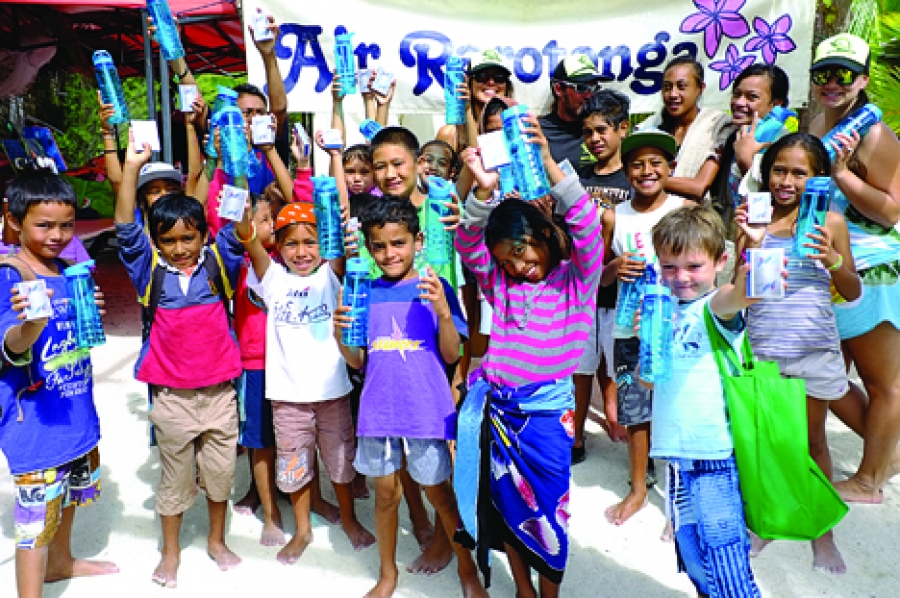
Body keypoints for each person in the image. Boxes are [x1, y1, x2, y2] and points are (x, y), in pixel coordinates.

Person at [455, 113, 603, 598]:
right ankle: (522, 588)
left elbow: (585, 226)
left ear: (543, 236)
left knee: (549, 508)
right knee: (505, 506)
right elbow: (468, 244)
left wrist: (547, 163)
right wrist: (482, 192)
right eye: (506, 261)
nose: (519, 266)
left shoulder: (577, 281)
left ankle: (549, 593)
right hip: (499, 413)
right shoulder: (502, 284)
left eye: (523, 252)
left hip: (545, 420)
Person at [334, 196, 486, 598]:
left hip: (426, 412)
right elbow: (359, 361)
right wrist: (340, 335)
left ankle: (467, 570)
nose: (389, 253)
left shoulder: (435, 287)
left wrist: (443, 312)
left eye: (398, 243)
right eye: (380, 246)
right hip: (379, 411)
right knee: (385, 496)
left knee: (441, 495)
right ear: (368, 248)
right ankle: (387, 574)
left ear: (418, 240)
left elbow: (453, 354)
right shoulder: (361, 292)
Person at [115, 138, 245, 587]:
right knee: (174, 479)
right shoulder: (148, 270)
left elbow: (238, 220)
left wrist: (238, 164)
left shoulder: (217, 264)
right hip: (171, 397)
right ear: (155, 242)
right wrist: (131, 166)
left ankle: (215, 539)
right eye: (167, 240)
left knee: (221, 474)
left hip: (220, 395)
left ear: (204, 235)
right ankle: (170, 552)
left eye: (188, 237)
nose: (179, 247)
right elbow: (125, 229)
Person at [734, 132, 859, 574]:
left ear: (820, 177)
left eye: (799, 172)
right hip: (766, 347)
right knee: (769, 443)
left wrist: (832, 262)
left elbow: (852, 290)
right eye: (778, 170)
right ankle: (769, 521)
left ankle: (821, 533)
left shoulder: (831, 224)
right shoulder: (755, 218)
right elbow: (740, 290)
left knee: (812, 442)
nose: (786, 180)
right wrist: (750, 244)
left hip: (813, 349)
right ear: (765, 174)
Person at [236, 201, 376, 563]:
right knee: (295, 465)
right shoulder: (273, 279)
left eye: (310, 242)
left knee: (341, 462)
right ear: (278, 247)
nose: (301, 252)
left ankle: (349, 518)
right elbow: (248, 238)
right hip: (287, 398)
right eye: (292, 244)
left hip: (333, 392)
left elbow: (343, 246)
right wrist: (242, 208)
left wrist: (339, 218)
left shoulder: (330, 274)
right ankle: (302, 529)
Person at [0, 170, 118, 598]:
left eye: (66, 225)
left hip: (75, 413)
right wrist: (31, 324)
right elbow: (11, 346)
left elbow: (77, 340)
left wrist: (86, 313)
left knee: (67, 495)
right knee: (34, 522)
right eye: (44, 225)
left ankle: (62, 563)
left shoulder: (70, 270)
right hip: (35, 424)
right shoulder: (10, 275)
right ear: (14, 221)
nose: (57, 235)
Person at [648, 205, 763, 597]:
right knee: (695, 559)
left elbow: (744, 294)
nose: (681, 278)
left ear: (721, 263)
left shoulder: (713, 309)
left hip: (713, 455)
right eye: (669, 267)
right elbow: (653, 383)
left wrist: (760, 250)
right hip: (677, 458)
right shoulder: (664, 311)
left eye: (694, 267)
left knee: (728, 568)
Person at [808, 33, 900, 504]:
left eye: (843, 74)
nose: (832, 83)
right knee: (824, 375)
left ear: (862, 80)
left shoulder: (875, 134)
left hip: (873, 271)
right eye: (824, 73)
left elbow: (891, 210)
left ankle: (870, 481)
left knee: (883, 382)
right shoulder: (823, 125)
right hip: (833, 270)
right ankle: (886, 454)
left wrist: (843, 174)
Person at [600, 130, 692, 526]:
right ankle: (638, 487)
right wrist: (615, 268)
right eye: (637, 163)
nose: (647, 171)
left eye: (656, 162)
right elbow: (598, 280)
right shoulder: (613, 216)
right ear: (626, 170)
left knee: (681, 405)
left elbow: (704, 266)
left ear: (670, 168)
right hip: (629, 331)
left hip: (679, 328)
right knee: (635, 410)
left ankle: (683, 491)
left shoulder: (684, 209)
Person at [572, 89, 633, 460]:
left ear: (623, 129)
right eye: (588, 132)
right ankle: (576, 436)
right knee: (579, 372)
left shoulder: (637, 178)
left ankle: (628, 432)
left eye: (603, 130)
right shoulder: (577, 180)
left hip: (622, 297)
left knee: (622, 371)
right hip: (582, 297)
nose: (595, 138)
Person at [229, 191, 285, 547]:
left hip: (288, 362)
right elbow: (238, 232)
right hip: (253, 364)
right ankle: (269, 510)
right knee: (258, 439)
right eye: (265, 220)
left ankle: (287, 493)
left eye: (271, 220)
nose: (271, 226)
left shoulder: (288, 260)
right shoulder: (238, 260)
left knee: (290, 435)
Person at [639, 56, 733, 202]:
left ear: (700, 89)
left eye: (681, 86)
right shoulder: (650, 127)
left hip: (695, 217)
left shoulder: (716, 125)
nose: (672, 94)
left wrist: (646, 180)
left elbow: (699, 187)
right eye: (667, 87)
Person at [711, 63, 792, 224]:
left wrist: (746, 160)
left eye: (752, 97)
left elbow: (778, 199)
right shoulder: (734, 136)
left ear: (776, 104)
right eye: (736, 94)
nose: (739, 103)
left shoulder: (784, 145)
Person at [539, 53, 613, 169]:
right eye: (581, 88)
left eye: (594, 88)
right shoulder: (540, 132)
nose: (589, 95)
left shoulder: (607, 129)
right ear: (558, 89)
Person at [436, 49, 515, 154]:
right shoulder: (450, 134)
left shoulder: (516, 128)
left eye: (499, 77)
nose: (491, 82)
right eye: (482, 76)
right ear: (469, 82)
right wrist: (467, 111)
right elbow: (475, 163)